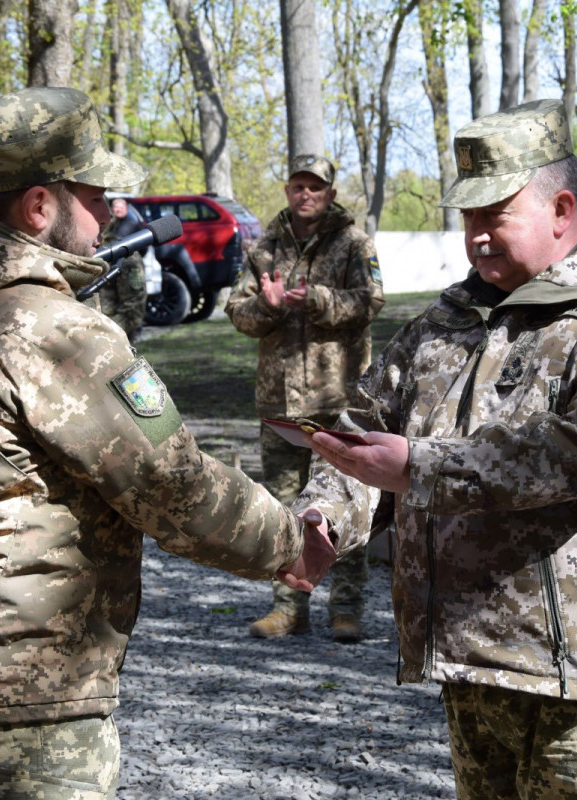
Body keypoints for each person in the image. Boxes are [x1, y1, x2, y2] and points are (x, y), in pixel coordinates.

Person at [0, 87, 332, 797]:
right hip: (22, 698)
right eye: (96, 192)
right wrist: (290, 546)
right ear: (40, 207)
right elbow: (175, 485)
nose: (112, 211)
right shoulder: (47, 329)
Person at [295, 99, 577, 797]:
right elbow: (364, 426)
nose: (478, 237)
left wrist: (418, 468)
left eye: (495, 215)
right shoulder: (447, 320)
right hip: (470, 663)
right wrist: (328, 515)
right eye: (468, 219)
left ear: (562, 208)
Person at [225, 154, 384, 643]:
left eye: (315, 187)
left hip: (336, 402)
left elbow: (372, 300)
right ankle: (289, 608)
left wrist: (318, 299)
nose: (306, 194)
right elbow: (237, 312)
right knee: (283, 508)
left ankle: (347, 609)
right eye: (298, 185)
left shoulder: (353, 242)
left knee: (345, 504)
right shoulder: (265, 247)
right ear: (288, 190)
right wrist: (266, 306)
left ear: (331, 193)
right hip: (279, 404)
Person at [91, 196, 147, 342]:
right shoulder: (72, 250)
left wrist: (100, 334)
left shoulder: (123, 254)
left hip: (111, 343)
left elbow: (133, 308)